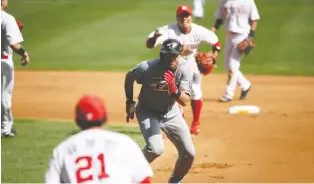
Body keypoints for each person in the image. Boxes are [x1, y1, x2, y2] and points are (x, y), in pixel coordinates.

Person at [125, 38, 195, 183]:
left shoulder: (185, 68)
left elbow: (185, 101)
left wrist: (173, 89)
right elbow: (130, 76)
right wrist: (130, 102)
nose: (171, 58)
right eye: (167, 55)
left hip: (171, 113)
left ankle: (175, 181)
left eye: (174, 55)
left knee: (189, 153)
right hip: (147, 111)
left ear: (179, 55)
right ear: (161, 54)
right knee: (155, 149)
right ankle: (129, 173)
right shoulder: (147, 68)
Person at [145, 5, 221, 135]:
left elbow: (216, 44)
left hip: (190, 64)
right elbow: (149, 44)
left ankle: (196, 123)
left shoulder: (199, 31)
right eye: (181, 16)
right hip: (171, 64)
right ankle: (176, 124)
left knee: (196, 91)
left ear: (191, 17)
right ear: (177, 18)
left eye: (187, 16)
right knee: (172, 95)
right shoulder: (168, 30)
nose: (184, 19)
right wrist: (155, 37)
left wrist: (213, 58)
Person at [45, 95, 153, 184]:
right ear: (105, 118)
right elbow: (144, 180)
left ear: (77, 120)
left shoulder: (62, 150)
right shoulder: (125, 143)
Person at [211, 0, 260, 102]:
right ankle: (245, 85)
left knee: (233, 66)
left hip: (242, 36)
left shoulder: (248, 1)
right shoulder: (224, 1)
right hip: (229, 36)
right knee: (227, 66)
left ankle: (228, 94)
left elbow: (254, 19)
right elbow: (220, 17)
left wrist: (250, 37)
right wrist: (213, 30)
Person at [1, 0, 30, 138]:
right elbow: (13, 44)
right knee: (4, 96)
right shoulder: (6, 18)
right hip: (3, 63)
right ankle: (5, 128)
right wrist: (24, 53)